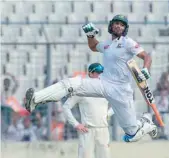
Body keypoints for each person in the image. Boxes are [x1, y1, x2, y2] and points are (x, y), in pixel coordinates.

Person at [24, 14, 157, 143]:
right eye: (116, 23)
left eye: (122, 25)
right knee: (71, 83)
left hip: (121, 91)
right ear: (111, 26)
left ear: (125, 29)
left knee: (132, 135)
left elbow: (147, 57)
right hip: (103, 84)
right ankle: (35, 99)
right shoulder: (107, 44)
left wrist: (145, 69)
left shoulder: (128, 42)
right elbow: (93, 46)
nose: (118, 26)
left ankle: (146, 123)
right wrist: (91, 36)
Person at [63, 63, 111, 158]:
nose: (98, 76)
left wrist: (108, 114)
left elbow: (118, 104)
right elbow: (66, 107)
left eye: (100, 73)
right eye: (96, 73)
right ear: (90, 73)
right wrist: (76, 124)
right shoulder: (81, 89)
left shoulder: (105, 88)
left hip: (103, 129)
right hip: (87, 130)